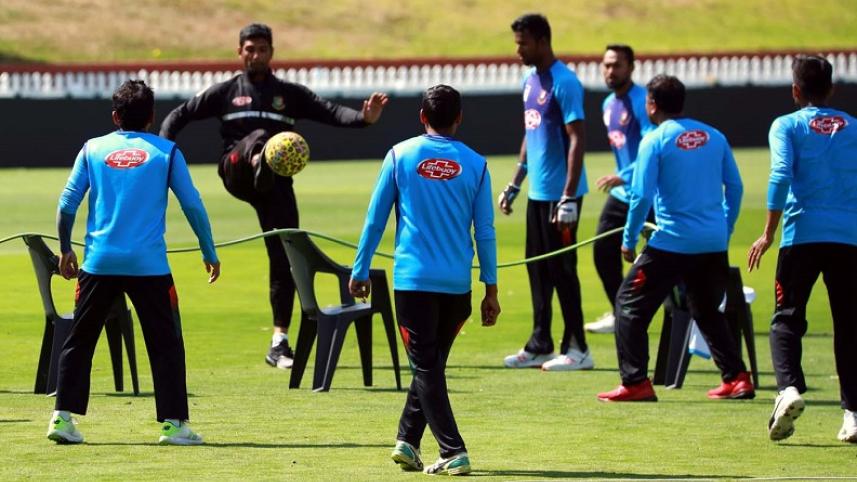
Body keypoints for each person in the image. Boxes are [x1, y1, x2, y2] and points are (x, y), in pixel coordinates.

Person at [159, 23, 388, 370]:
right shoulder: (224, 93)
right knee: (264, 137)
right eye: (249, 49)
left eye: (262, 49)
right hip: (236, 169)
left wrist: (364, 119)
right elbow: (179, 116)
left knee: (286, 254)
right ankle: (258, 158)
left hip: (275, 184)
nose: (255, 55)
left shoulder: (290, 94)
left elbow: (330, 111)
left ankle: (279, 342)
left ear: (271, 52)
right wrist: (164, 153)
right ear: (239, 52)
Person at [47, 80, 220, 445]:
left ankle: (62, 419)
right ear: (152, 117)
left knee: (80, 340)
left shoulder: (92, 149)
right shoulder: (168, 152)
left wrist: (65, 249)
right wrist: (208, 251)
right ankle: (174, 425)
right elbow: (193, 205)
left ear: (115, 116)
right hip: (149, 268)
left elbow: (66, 204)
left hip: (98, 263)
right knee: (166, 343)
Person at [349, 85, 499, 475]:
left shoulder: (400, 155)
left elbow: (375, 219)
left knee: (426, 367)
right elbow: (485, 231)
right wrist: (491, 288)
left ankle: (452, 449)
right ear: (460, 118)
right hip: (456, 287)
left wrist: (360, 269)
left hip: (413, 283)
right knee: (429, 365)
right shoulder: (477, 163)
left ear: (421, 116)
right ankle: (407, 441)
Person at [597, 74, 755, 402]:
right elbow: (735, 188)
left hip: (672, 242)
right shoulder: (714, 135)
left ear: (651, 105)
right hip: (712, 243)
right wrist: (724, 228)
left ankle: (636, 381)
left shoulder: (655, 140)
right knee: (706, 309)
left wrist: (627, 240)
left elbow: (640, 196)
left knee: (628, 305)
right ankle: (737, 377)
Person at [747, 55, 857, 443]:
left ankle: (789, 389)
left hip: (802, 236)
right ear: (831, 89)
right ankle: (854, 415)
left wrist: (768, 232)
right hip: (849, 239)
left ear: (795, 90)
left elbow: (780, 174)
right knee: (849, 324)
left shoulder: (786, 125)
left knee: (786, 319)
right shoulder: (854, 127)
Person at [499, 13, 592, 371]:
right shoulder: (528, 80)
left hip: (561, 195)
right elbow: (531, 131)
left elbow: (577, 139)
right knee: (537, 270)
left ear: (541, 41)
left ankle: (578, 348)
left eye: (522, 43)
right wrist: (516, 182)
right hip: (538, 193)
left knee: (562, 269)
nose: (517, 49)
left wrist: (568, 195)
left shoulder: (565, 83)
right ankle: (540, 342)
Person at [584, 44, 653, 335]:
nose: (611, 71)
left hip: (647, 191)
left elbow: (651, 148)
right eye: (607, 65)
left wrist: (625, 175)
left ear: (631, 68)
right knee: (603, 251)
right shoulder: (608, 105)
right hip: (623, 193)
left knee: (667, 258)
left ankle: (695, 310)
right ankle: (621, 311)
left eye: (617, 65)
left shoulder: (642, 101)